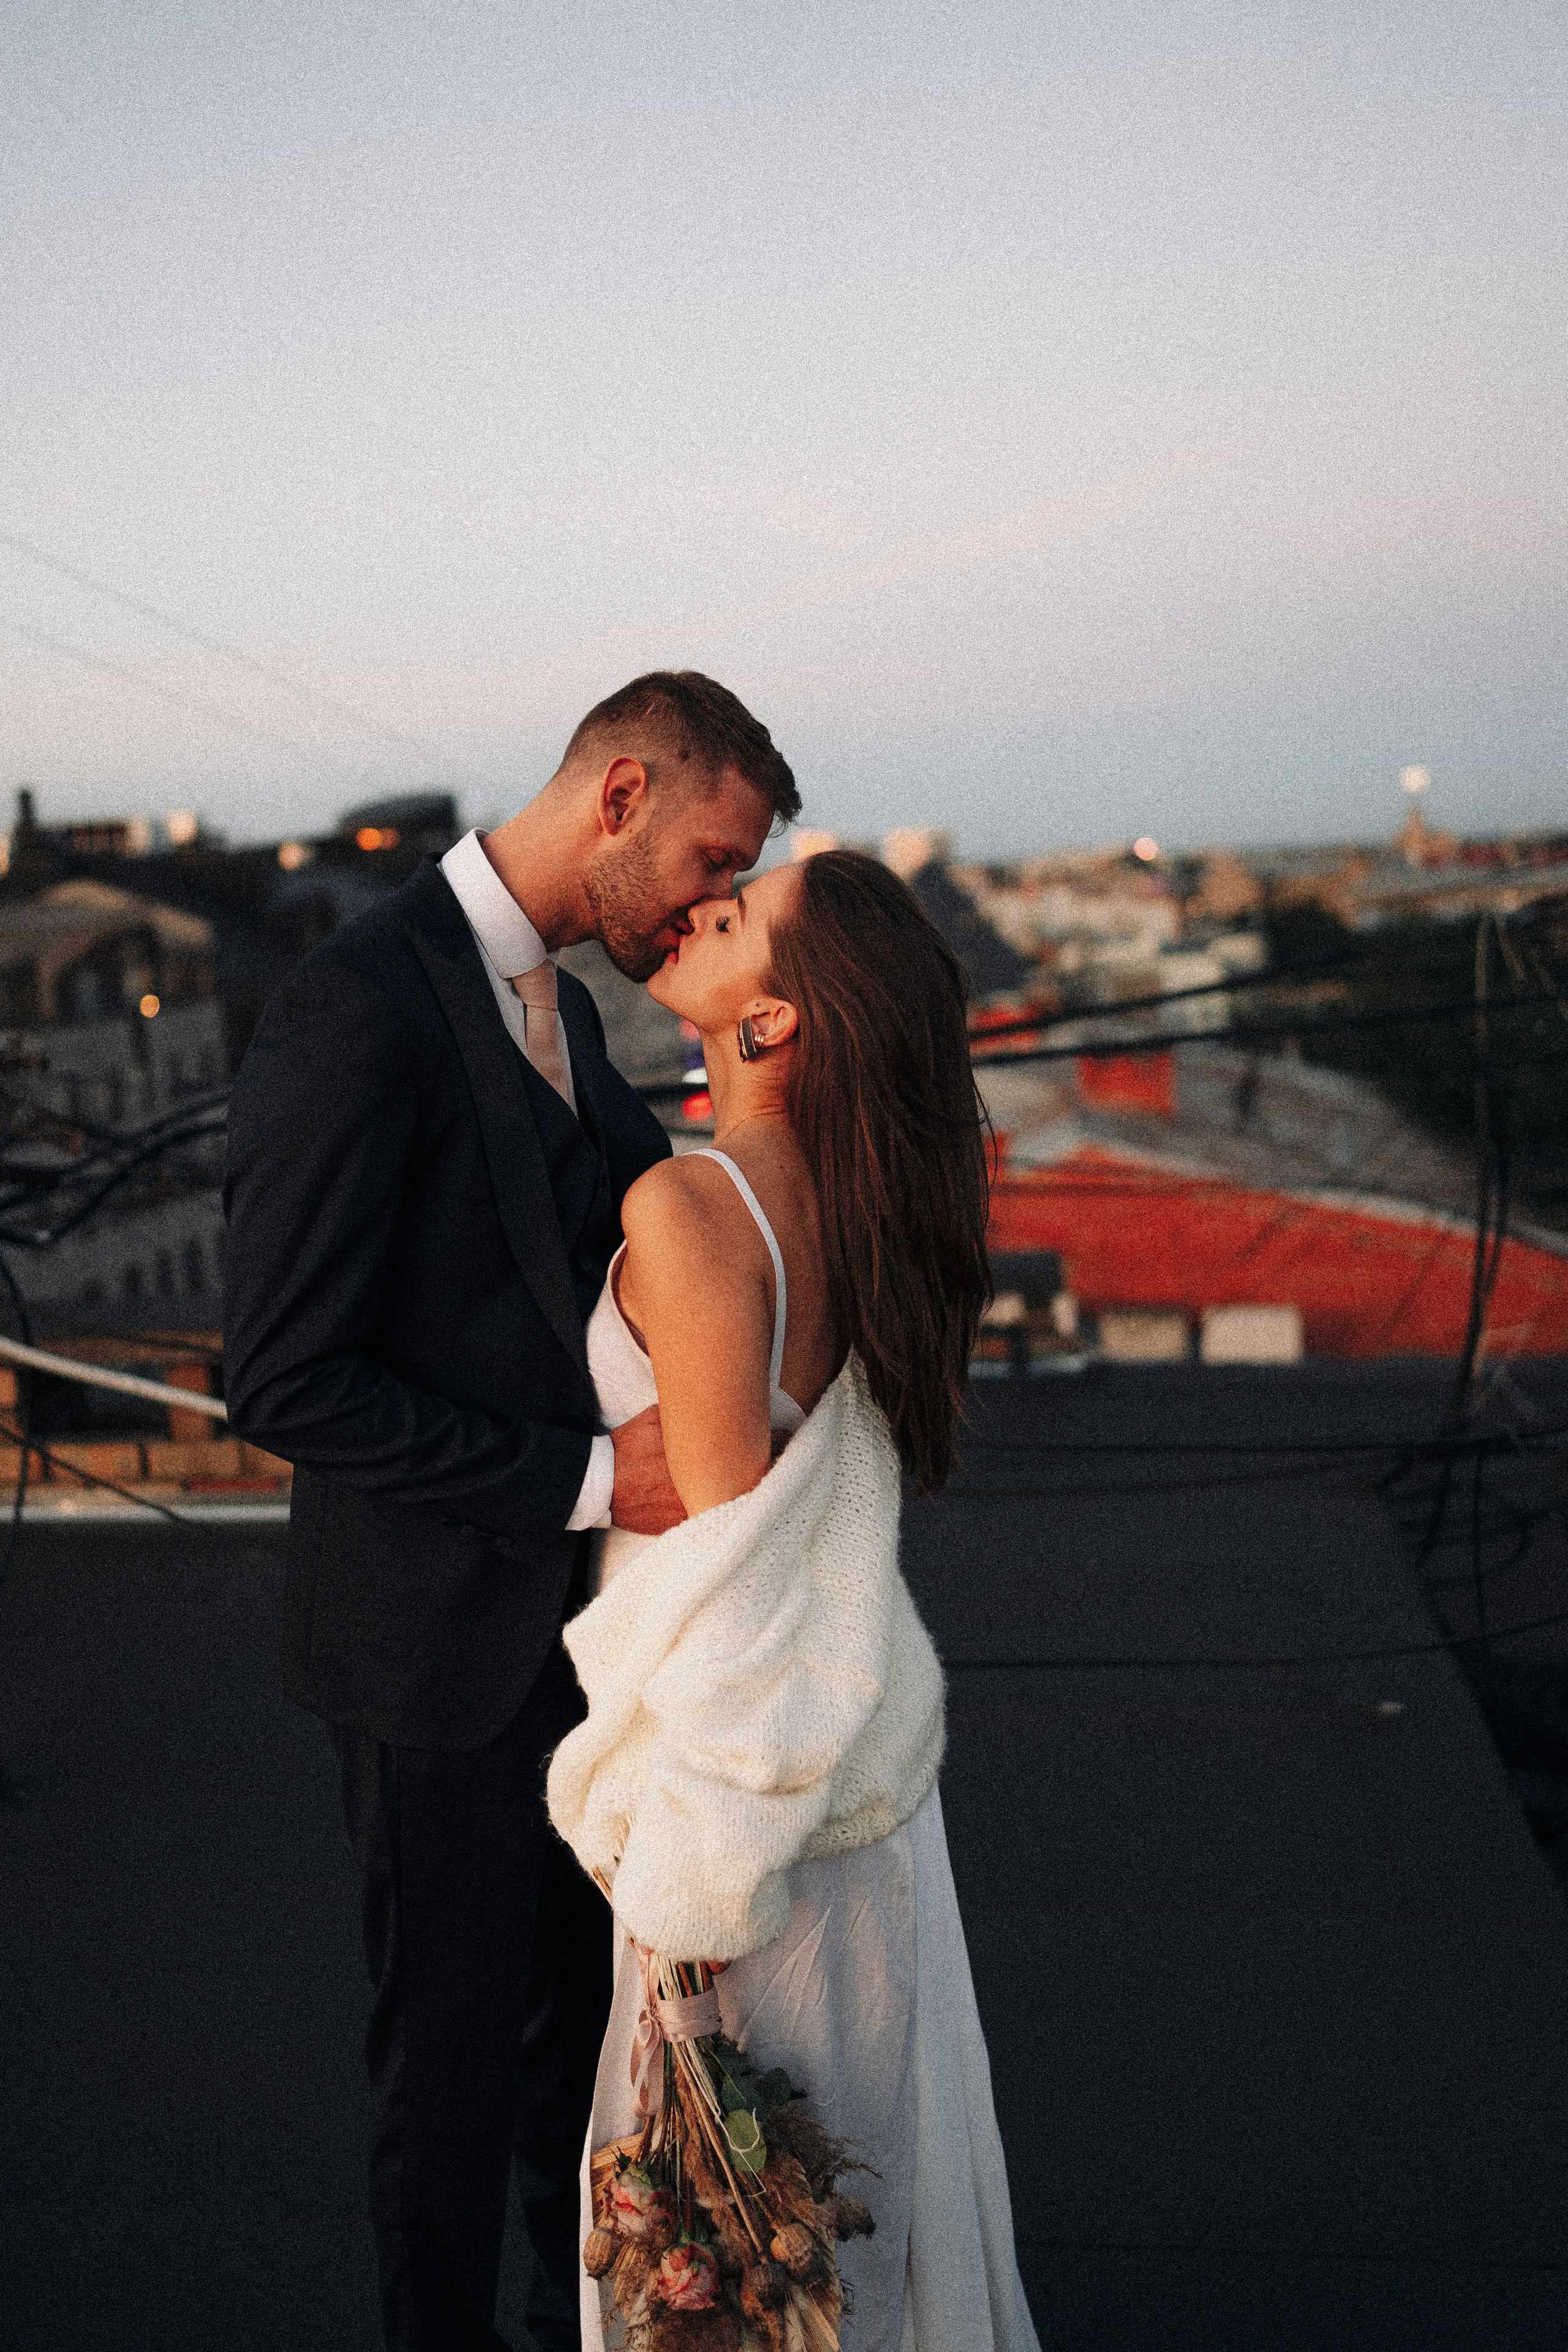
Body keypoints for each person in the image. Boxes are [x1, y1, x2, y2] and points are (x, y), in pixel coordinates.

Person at [221, 673, 799, 2352]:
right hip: (430, 1666)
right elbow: (285, 1379)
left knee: (587, 2069)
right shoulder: (358, 1005)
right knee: (450, 2089)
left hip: (588, 1667)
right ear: (619, 793)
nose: (710, 899)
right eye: (712, 853)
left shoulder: (563, 1010)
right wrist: (590, 1481)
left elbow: (627, 1244)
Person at [547, 850, 1043, 2351]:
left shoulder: (695, 1212)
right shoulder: (862, 1204)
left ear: (774, 1023)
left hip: (745, 1846)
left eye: (736, 915)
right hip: (859, 1813)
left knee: (744, 2277)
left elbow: (727, 1594)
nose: (701, 911)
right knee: (857, 2253)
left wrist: (688, 1910)